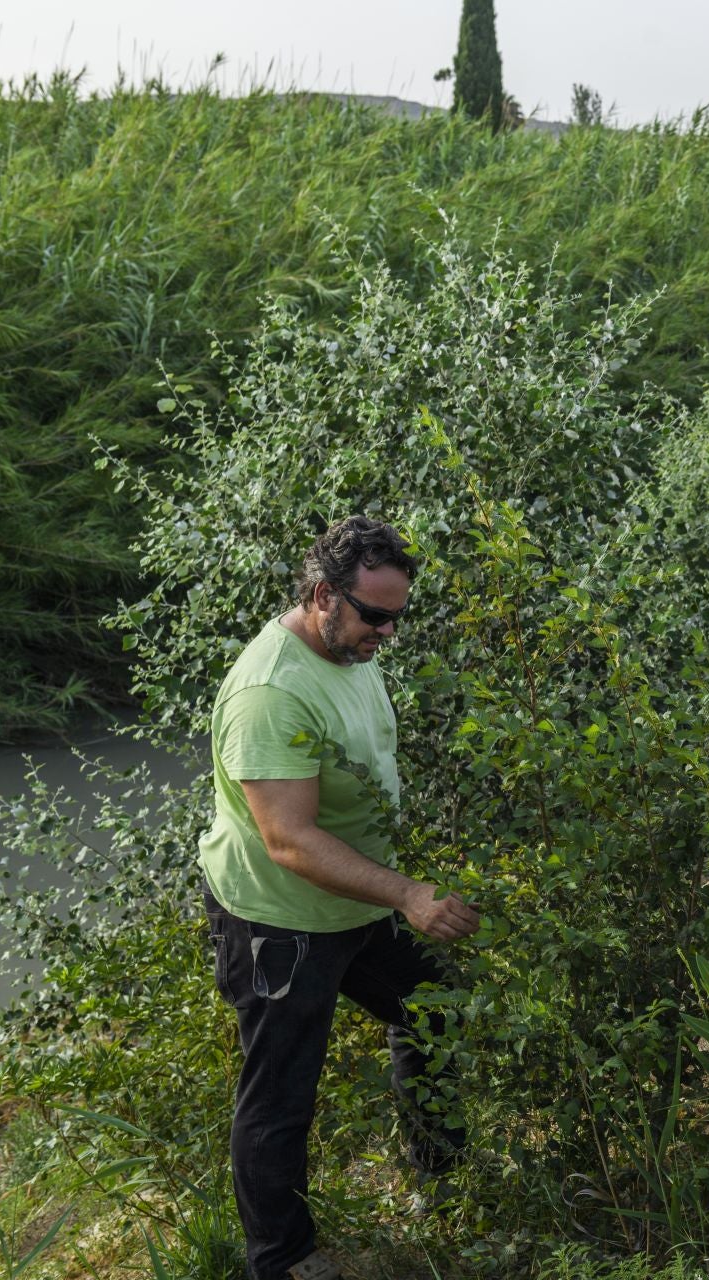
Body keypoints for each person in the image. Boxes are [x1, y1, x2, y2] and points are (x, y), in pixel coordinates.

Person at [198, 516, 479, 1280]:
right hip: (278, 919)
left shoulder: (349, 645)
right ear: (324, 594)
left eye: (397, 617)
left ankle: (441, 1184)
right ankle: (284, 1260)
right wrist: (409, 892)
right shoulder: (270, 691)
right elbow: (289, 839)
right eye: (375, 616)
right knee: (281, 1094)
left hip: (358, 903)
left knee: (433, 1010)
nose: (387, 633)